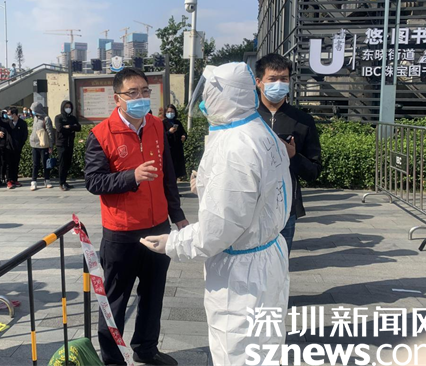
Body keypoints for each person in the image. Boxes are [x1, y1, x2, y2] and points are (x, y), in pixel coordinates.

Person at [141, 62, 292, 366]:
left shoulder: (234, 147)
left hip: (242, 274)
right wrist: (209, 185)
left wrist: (174, 243)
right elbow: (251, 195)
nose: (203, 101)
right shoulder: (257, 129)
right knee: (265, 347)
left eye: (208, 93)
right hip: (266, 256)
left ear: (224, 95)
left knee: (237, 350)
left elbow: (218, 229)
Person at [84, 67, 188, 366]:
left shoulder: (156, 125)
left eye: (145, 91)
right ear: (117, 98)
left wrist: (177, 215)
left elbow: (167, 174)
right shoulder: (101, 134)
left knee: (153, 294)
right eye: (132, 92)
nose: (141, 97)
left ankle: (146, 348)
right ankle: (113, 359)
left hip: (158, 227)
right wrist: (132, 176)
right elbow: (94, 181)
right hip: (122, 232)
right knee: (115, 301)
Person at [255, 53, 322, 254]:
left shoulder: (302, 121)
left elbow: (314, 171)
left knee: (280, 264)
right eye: (272, 79)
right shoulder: (247, 118)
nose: (279, 84)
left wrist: (292, 156)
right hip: (249, 206)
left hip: (285, 208)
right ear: (259, 82)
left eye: (284, 79)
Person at [0, 107, 28, 189]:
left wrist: (21, 144)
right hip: (8, 147)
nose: (8, 116)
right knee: (8, 164)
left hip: (17, 147)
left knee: (16, 164)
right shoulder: (8, 122)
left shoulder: (22, 123)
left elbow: (25, 135)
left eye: (9, 114)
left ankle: (15, 179)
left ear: (14, 114)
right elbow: (0, 122)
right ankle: (9, 180)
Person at [55, 101, 81, 191]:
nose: (68, 108)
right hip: (61, 144)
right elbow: (59, 128)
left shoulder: (72, 118)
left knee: (67, 163)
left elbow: (78, 127)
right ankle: (61, 182)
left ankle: (65, 181)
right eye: (66, 107)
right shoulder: (58, 117)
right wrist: (71, 128)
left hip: (70, 143)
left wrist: (69, 127)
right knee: (62, 163)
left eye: (69, 107)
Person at [29, 102, 55, 191]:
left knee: (45, 163)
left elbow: (50, 132)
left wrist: (51, 145)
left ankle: (47, 180)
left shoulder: (46, 119)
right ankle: (34, 181)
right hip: (34, 144)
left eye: (33, 110)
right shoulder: (35, 118)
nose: (32, 112)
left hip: (43, 144)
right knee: (35, 164)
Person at [162, 104, 187, 179]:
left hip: (177, 148)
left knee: (176, 169)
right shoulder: (163, 123)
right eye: (168, 112)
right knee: (169, 169)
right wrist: (169, 132)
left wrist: (184, 136)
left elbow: (183, 132)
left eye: (172, 111)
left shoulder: (177, 122)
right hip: (169, 149)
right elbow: (162, 136)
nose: (170, 113)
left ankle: (175, 181)